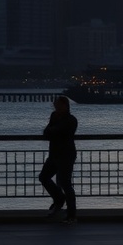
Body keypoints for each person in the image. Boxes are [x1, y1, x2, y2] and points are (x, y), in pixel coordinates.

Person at [39, 95, 78, 224]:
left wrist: (52, 131)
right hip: (54, 155)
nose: (56, 107)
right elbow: (48, 132)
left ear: (65, 105)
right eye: (55, 105)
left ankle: (71, 215)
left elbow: (55, 131)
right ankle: (59, 198)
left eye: (58, 104)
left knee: (65, 183)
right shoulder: (54, 116)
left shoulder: (71, 120)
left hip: (66, 155)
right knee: (44, 177)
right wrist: (52, 131)